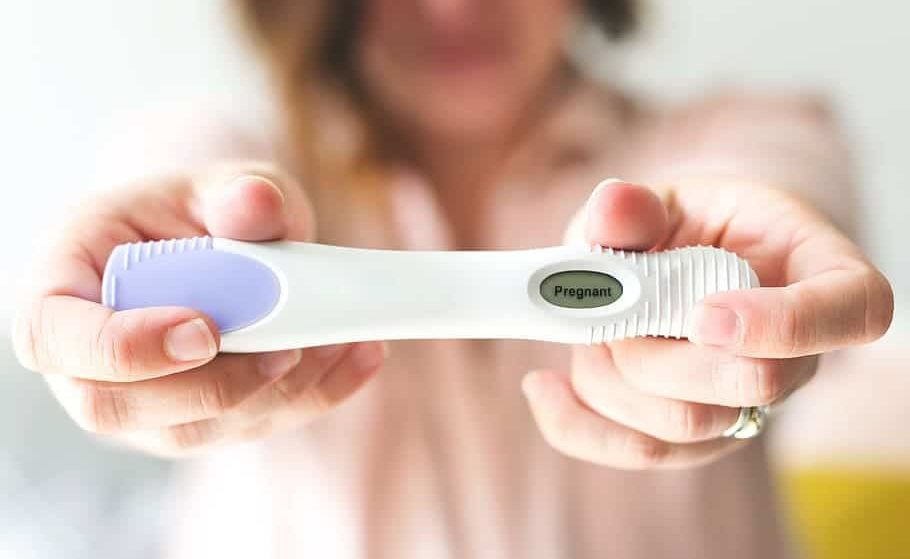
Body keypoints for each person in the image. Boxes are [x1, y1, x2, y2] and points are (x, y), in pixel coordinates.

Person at [11, 0, 894, 557]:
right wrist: (105, 324)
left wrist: (755, 325)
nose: (456, 6)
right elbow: (160, 179)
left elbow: (779, 184)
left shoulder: (743, 135)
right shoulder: (229, 154)